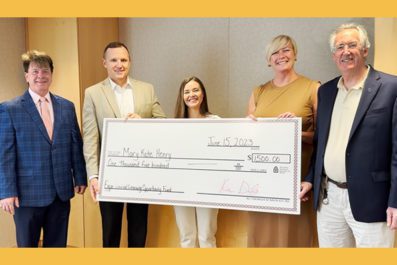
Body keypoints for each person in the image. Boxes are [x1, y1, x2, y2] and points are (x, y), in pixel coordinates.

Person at [300, 23, 397, 248]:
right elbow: (321, 143)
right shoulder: (326, 91)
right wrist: (309, 178)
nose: (346, 51)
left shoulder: (391, 88)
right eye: (340, 47)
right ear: (334, 56)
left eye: (352, 45)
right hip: (329, 198)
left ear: (365, 50)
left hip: (374, 201)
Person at [83, 41, 166, 247]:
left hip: (141, 172)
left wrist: (143, 123)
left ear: (130, 62)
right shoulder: (93, 93)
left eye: (123, 60)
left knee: (139, 227)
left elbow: (163, 124)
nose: (119, 64)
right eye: (114, 60)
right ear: (104, 63)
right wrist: (93, 176)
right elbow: (91, 137)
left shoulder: (147, 89)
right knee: (110, 229)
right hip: (109, 174)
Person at [0, 50, 87, 247]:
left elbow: (75, 144)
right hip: (26, 196)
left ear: (51, 74)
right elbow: (4, 155)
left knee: (56, 248)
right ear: (27, 76)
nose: (41, 76)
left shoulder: (67, 106)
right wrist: (6, 192)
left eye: (45, 71)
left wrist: (80, 176)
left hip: (61, 192)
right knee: (28, 249)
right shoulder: (10, 108)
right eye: (35, 71)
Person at [246, 35, 320, 247]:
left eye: (286, 50)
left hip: (297, 183)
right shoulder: (258, 92)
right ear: (268, 60)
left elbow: (322, 137)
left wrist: (295, 131)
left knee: (295, 239)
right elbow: (249, 138)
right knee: (261, 238)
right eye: (275, 52)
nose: (281, 56)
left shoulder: (313, 88)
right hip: (262, 182)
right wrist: (247, 129)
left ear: (295, 54)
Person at [173, 76, 219, 248]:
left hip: (208, 187)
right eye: (187, 91)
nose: (191, 94)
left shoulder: (216, 121)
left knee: (206, 236)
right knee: (186, 236)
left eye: (195, 90)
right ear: (182, 97)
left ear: (203, 94)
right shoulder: (173, 126)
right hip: (180, 187)